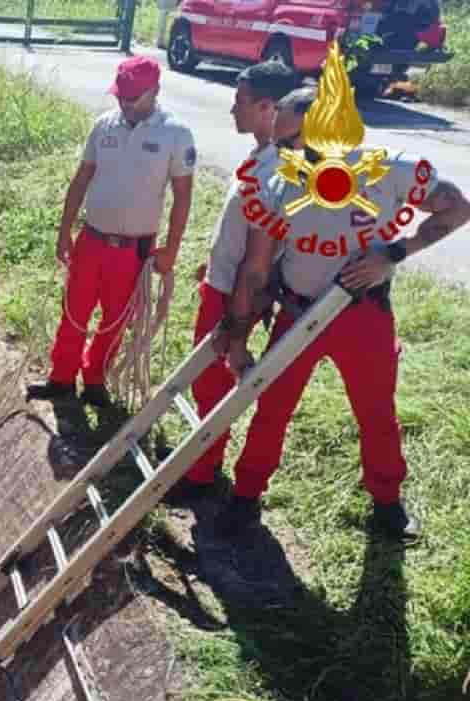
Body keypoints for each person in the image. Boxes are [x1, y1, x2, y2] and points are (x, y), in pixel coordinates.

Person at [214, 61, 470, 541]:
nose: (284, 152)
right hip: (297, 311)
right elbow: (255, 267)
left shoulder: (390, 170)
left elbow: (458, 208)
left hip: (363, 314)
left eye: (292, 143)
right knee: (273, 406)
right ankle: (246, 496)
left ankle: (388, 503)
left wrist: (394, 253)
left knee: (375, 410)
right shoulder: (280, 184)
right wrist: (237, 328)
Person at [27, 55, 196, 409]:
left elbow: (183, 196)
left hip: (134, 249)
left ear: (155, 92)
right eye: (121, 96)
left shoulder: (175, 135)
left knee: (116, 318)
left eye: (133, 98)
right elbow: (82, 178)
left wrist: (171, 249)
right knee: (74, 309)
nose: (125, 104)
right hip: (92, 239)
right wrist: (64, 232)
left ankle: (94, 379)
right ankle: (61, 378)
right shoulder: (104, 126)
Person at [165, 62, 300, 504]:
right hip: (222, 283)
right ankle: (203, 462)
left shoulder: (276, 172)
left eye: (240, 101)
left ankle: (202, 475)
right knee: (207, 381)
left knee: (211, 383)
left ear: (268, 107)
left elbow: (262, 256)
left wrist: (235, 309)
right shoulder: (259, 157)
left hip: (235, 294)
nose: (231, 109)